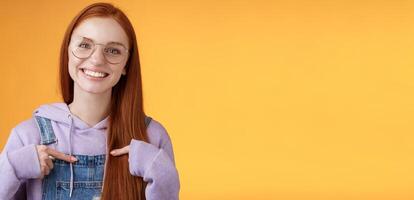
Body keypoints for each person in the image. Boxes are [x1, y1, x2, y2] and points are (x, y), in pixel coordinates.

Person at [0, 2, 180, 200]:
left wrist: (162, 174)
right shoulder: (27, 136)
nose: (96, 60)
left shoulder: (152, 137)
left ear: (126, 65)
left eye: (113, 50)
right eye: (85, 45)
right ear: (67, 51)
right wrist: (13, 167)